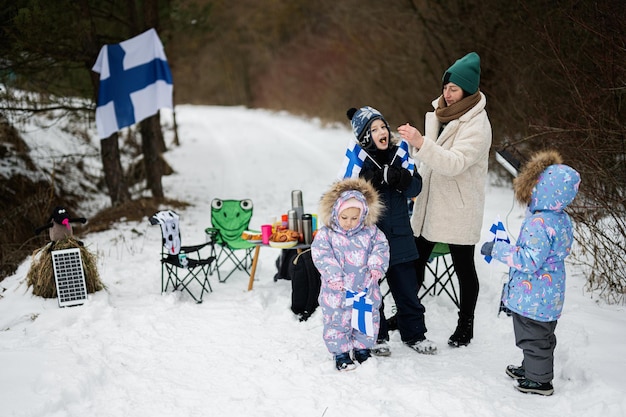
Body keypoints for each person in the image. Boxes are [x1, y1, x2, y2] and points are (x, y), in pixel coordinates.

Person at [398, 52, 492, 347]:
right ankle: (406, 315)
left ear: (468, 89)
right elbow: (429, 160)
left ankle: (466, 325)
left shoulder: (477, 125)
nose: (447, 94)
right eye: (445, 88)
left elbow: (453, 163)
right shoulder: (439, 114)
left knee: (464, 268)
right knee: (414, 262)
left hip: (459, 207)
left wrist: (421, 143)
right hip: (430, 203)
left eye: (453, 89)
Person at [480, 149, 581, 396]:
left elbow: (529, 260)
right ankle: (532, 368)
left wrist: (499, 250)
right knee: (540, 336)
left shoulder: (540, 223)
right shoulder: (559, 218)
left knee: (533, 337)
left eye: (537, 184)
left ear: (545, 190)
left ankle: (540, 381)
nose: (531, 187)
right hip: (548, 293)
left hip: (534, 294)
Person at [346, 105, 437, 355]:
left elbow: (416, 188)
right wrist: (368, 182)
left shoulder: (401, 155)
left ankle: (415, 335)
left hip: (399, 236)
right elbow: (346, 195)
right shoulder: (359, 160)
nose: (381, 131)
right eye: (373, 129)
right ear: (365, 136)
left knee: (408, 291)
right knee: (371, 292)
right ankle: (377, 336)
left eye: (382, 126)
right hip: (370, 240)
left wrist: (401, 179)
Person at [311, 177, 390, 371]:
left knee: (364, 321)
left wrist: (375, 266)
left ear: (363, 215)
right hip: (337, 291)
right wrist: (334, 275)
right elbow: (322, 255)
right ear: (336, 213)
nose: (349, 222)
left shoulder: (371, 232)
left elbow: (381, 248)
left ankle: (362, 349)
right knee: (337, 321)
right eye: (344, 218)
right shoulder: (326, 234)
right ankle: (341, 353)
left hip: (364, 288)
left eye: (355, 218)